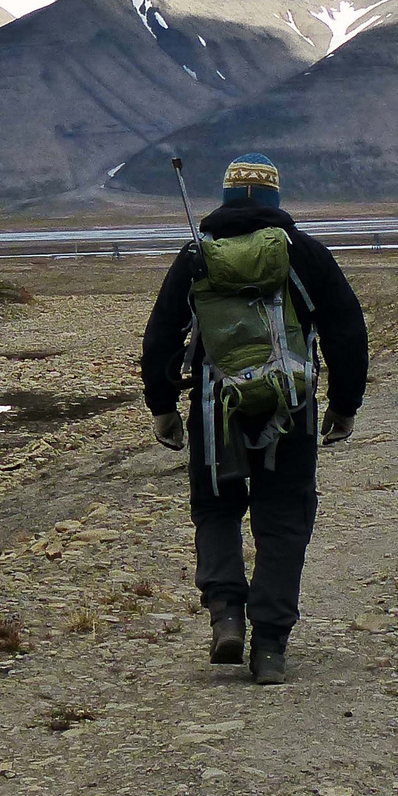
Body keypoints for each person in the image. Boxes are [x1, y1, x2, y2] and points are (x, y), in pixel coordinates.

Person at [140, 153, 367, 684]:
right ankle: (269, 646)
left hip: (213, 411)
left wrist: (162, 408)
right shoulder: (305, 255)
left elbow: (160, 337)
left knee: (216, 509)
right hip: (292, 411)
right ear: (275, 198)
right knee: (284, 520)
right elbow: (347, 332)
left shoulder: (197, 256)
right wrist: (345, 405)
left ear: (225, 197)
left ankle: (226, 616)